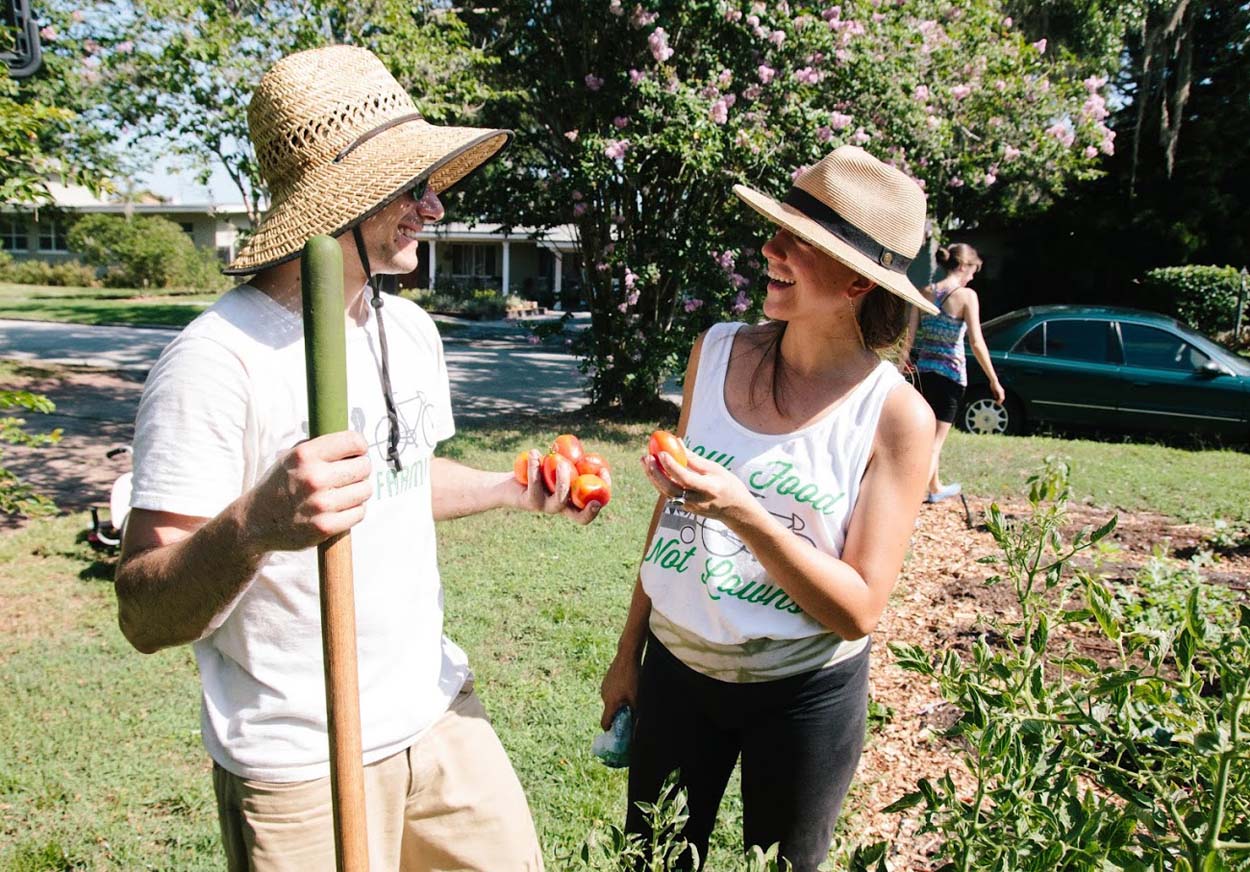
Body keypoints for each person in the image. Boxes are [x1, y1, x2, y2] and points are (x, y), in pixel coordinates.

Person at [114, 45, 599, 872]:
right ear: (340, 198)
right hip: (302, 758)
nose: (434, 207)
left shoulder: (405, 330)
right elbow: (142, 611)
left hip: (439, 712)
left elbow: (396, 480)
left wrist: (514, 489)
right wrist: (256, 525)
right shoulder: (214, 360)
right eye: (411, 186)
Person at [598, 146, 936, 871]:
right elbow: (671, 523)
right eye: (776, 228)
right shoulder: (715, 352)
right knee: (652, 863)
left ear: (855, 279)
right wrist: (630, 653)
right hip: (677, 671)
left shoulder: (894, 417)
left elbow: (858, 609)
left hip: (805, 695)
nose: (769, 247)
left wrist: (744, 511)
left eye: (796, 240)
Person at [899, 243, 1004, 502]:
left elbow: (909, 337)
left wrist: (900, 368)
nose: (972, 277)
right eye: (973, 271)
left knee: (924, 438)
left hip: (923, 375)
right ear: (963, 266)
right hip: (951, 377)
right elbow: (976, 342)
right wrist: (994, 379)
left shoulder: (924, 292)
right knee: (933, 445)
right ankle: (913, 507)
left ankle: (935, 488)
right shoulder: (967, 296)